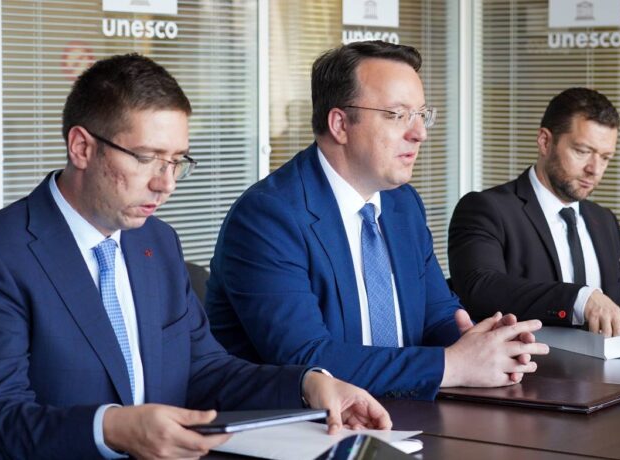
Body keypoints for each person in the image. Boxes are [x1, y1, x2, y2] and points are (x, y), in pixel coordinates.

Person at [0, 53, 391, 460]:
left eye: (177, 160)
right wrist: (112, 429)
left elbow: (203, 371)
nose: (166, 183)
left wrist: (309, 384)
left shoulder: (157, 242)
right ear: (82, 148)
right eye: (147, 158)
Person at [205, 41, 548, 401]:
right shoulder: (268, 216)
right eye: (397, 115)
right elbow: (306, 359)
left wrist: (482, 343)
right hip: (307, 423)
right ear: (340, 124)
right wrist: (452, 365)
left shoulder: (402, 202)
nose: (419, 133)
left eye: (421, 115)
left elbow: (436, 315)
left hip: (406, 411)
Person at [448, 87, 620, 338]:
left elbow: (605, 300)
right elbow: (480, 289)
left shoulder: (605, 220)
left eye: (606, 157)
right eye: (582, 151)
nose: (595, 169)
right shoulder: (486, 209)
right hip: (527, 360)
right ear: (545, 141)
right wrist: (580, 299)